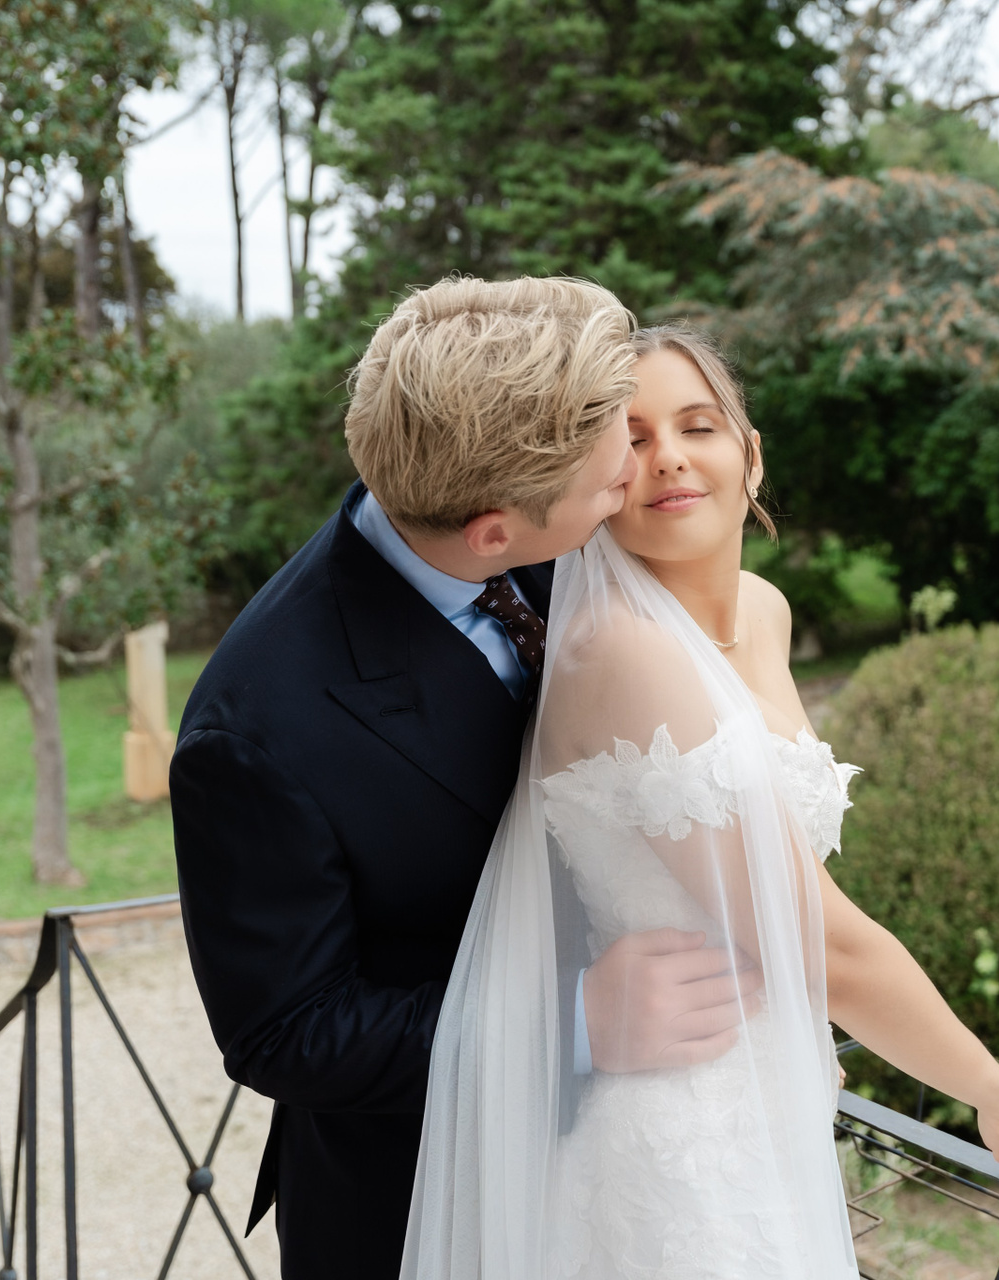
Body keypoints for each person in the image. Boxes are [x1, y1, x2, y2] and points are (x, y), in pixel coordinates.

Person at [403, 326, 999, 1280]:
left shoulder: (767, 611)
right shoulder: (624, 653)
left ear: (752, 454)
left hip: (775, 1103)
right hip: (682, 1150)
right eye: (634, 440)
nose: (668, 458)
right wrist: (998, 1095)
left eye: (697, 426)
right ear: (602, 483)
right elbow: (828, 943)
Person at [171, 279, 765, 1280]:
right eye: (612, 469)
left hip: (652, 1161)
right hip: (423, 1201)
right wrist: (574, 1022)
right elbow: (287, 1032)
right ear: (496, 533)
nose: (638, 469)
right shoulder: (254, 730)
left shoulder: (543, 510)